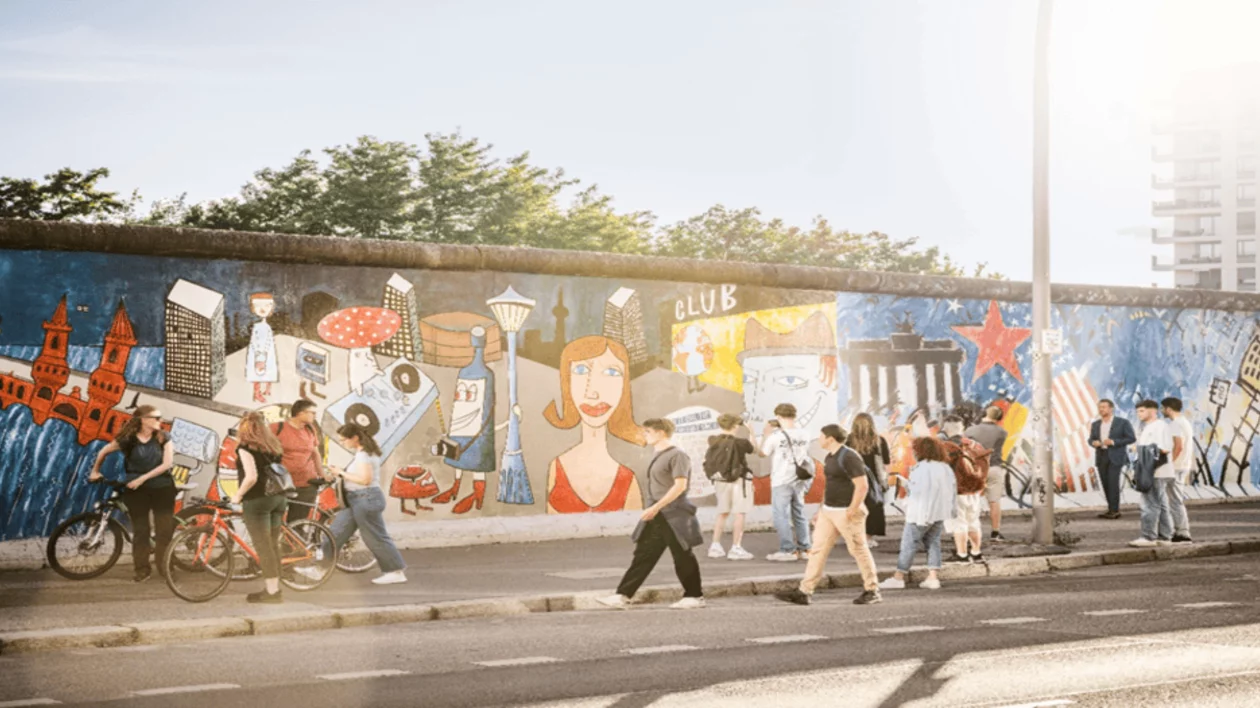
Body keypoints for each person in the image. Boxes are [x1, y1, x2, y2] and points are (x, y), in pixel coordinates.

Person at [598, 419, 705, 610]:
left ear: (661, 433)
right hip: (658, 514)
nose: (643, 435)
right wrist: (654, 509)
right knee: (644, 555)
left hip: (673, 514)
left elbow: (680, 486)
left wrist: (656, 508)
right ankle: (623, 595)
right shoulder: (659, 454)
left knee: (682, 554)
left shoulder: (677, 455)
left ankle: (695, 596)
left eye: (647, 432)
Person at [775, 424, 882, 606]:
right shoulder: (831, 457)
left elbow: (862, 485)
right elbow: (830, 485)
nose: (819, 438)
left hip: (847, 511)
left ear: (830, 439)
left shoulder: (849, 456)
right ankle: (805, 591)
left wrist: (853, 509)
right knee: (817, 550)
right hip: (829, 511)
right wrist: (821, 510)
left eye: (821, 436)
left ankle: (872, 590)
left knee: (858, 549)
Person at [543, 336, 645, 514]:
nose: (593, 392)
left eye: (612, 373)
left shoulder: (627, 479)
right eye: (581, 370)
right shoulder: (557, 467)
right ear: (566, 381)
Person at [88, 405, 176, 583]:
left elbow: (167, 464)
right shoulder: (128, 440)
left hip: (162, 488)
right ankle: (142, 569)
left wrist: (142, 479)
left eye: (160, 418)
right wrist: (95, 471)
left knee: (164, 530)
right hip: (137, 491)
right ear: (143, 420)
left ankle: (165, 567)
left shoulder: (163, 437)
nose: (160, 421)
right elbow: (103, 451)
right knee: (141, 530)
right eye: (156, 418)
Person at [326, 423, 408, 585]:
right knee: (334, 533)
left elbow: (365, 480)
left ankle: (395, 571)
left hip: (366, 499)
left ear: (355, 438)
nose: (343, 443)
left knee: (375, 537)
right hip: (356, 500)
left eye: (344, 440)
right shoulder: (363, 454)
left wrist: (341, 473)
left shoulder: (364, 455)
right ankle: (321, 567)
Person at [880, 436, 957, 591]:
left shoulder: (921, 468)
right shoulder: (945, 468)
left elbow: (918, 492)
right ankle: (933, 577)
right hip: (939, 513)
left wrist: (905, 484)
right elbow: (951, 491)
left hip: (920, 514)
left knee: (908, 545)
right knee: (933, 543)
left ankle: (899, 577)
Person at [229, 411, 289, 603]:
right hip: (278, 500)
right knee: (272, 544)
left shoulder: (245, 448)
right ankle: (273, 588)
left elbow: (251, 476)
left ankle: (272, 593)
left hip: (258, 501)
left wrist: (238, 496)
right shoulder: (273, 447)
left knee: (263, 547)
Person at [760, 403, 813, 561]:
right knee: (799, 513)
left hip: (781, 479)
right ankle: (805, 548)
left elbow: (763, 453)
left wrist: (766, 433)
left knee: (781, 515)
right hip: (799, 479)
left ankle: (788, 550)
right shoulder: (805, 434)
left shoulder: (775, 437)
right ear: (794, 415)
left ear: (778, 417)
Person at [705, 414, 755, 561]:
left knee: (722, 512)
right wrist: (751, 431)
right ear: (735, 426)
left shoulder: (713, 441)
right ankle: (736, 547)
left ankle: (715, 546)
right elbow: (754, 449)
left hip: (721, 479)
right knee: (740, 513)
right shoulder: (741, 443)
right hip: (739, 480)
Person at [1129, 399, 1175, 548]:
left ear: (1153, 410)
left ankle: (1148, 537)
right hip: (1155, 470)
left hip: (1155, 471)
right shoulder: (1150, 427)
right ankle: (1165, 536)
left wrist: (1141, 450)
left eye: (1142, 411)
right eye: (1137, 411)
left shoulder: (1159, 426)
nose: (1138, 414)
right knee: (1161, 505)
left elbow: (1165, 448)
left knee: (1149, 504)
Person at [940, 417, 986, 564]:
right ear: (962, 428)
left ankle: (962, 555)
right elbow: (984, 466)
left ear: (946, 430)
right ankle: (977, 553)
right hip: (974, 491)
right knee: (973, 522)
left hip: (955, 492)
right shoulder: (975, 446)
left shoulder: (945, 447)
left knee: (959, 524)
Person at [275, 399, 325, 524]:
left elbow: (315, 453)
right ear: (300, 413)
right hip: (281, 485)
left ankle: (293, 544)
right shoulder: (277, 428)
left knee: (297, 525)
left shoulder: (310, 429)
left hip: (306, 485)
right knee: (274, 523)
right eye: (312, 413)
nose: (315, 416)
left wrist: (323, 474)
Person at [963, 406, 1009, 541]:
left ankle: (969, 532)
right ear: (999, 418)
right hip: (994, 467)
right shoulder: (1002, 432)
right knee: (994, 501)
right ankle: (995, 532)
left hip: (975, 469)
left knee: (971, 500)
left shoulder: (970, 431)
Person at [1088, 399, 1137, 519]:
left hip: (1116, 456)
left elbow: (1131, 438)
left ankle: (1114, 510)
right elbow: (1090, 439)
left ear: (1111, 408)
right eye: (1100, 407)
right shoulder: (1095, 424)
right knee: (1105, 483)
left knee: (1113, 482)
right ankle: (1111, 509)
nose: (1101, 409)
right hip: (1101, 456)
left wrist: (1114, 442)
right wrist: (1093, 442)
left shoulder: (1122, 422)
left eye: (1104, 407)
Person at [848, 413, 889, 549]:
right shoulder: (879, 441)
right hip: (874, 481)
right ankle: (868, 538)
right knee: (873, 508)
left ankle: (856, 537)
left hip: (853, 480)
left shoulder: (849, 441)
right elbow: (886, 463)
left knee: (856, 507)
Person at [1162, 397, 1194, 543]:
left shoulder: (1175, 424)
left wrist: (1169, 464)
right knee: (1174, 499)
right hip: (1183, 465)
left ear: (1169, 409)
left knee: (1174, 501)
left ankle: (1182, 532)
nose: (1163, 411)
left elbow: (1178, 446)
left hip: (1176, 467)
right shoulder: (1185, 422)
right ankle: (1178, 530)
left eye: (1164, 408)